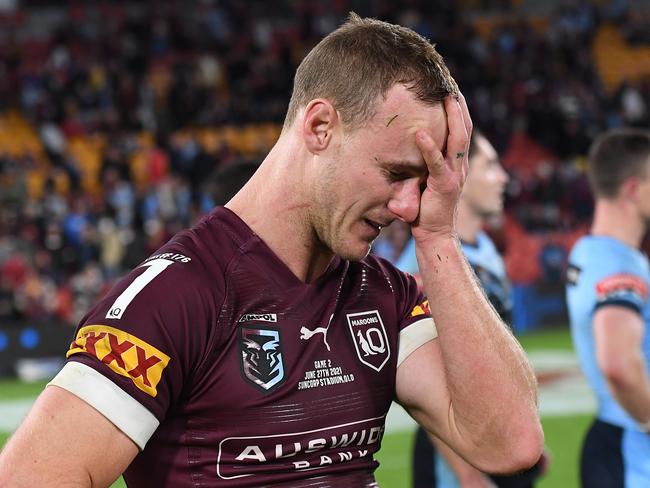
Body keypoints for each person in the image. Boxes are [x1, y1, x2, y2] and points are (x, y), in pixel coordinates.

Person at [0, 14, 543, 487]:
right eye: (395, 173)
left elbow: (510, 446)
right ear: (320, 126)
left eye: (422, 182)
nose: (408, 205)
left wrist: (438, 238)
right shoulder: (173, 298)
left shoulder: (384, 294)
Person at [396, 130, 546, 488]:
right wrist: (467, 474)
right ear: (459, 170)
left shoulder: (486, 252)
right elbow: (426, 384)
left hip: (499, 437)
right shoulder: (421, 265)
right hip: (459, 458)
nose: (504, 178)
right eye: (491, 165)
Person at [566, 128, 650, 488]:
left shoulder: (590, 251)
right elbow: (618, 363)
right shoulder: (619, 265)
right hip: (631, 448)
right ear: (632, 189)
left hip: (614, 439)